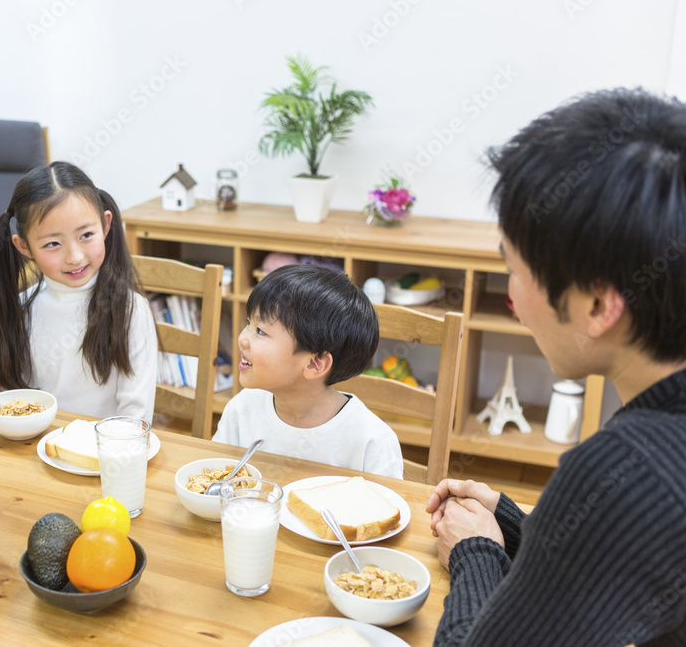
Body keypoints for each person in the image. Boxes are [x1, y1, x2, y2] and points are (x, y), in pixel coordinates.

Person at [427, 88, 686, 646]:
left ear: (598, 305)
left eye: (513, 270)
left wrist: (477, 553)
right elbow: (633, 563)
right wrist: (523, 526)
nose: (513, 301)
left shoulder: (628, 466)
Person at [0, 161, 158, 422]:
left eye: (86, 234)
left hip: (106, 455)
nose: (74, 257)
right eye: (53, 243)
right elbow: (8, 402)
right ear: (24, 247)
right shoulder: (20, 310)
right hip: (33, 451)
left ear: (106, 225)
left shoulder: (131, 311)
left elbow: (135, 417)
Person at [212, 264, 403, 478]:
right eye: (249, 323)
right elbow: (217, 479)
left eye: (260, 331)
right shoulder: (242, 408)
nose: (242, 339)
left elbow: (388, 507)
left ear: (314, 364)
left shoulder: (372, 440)